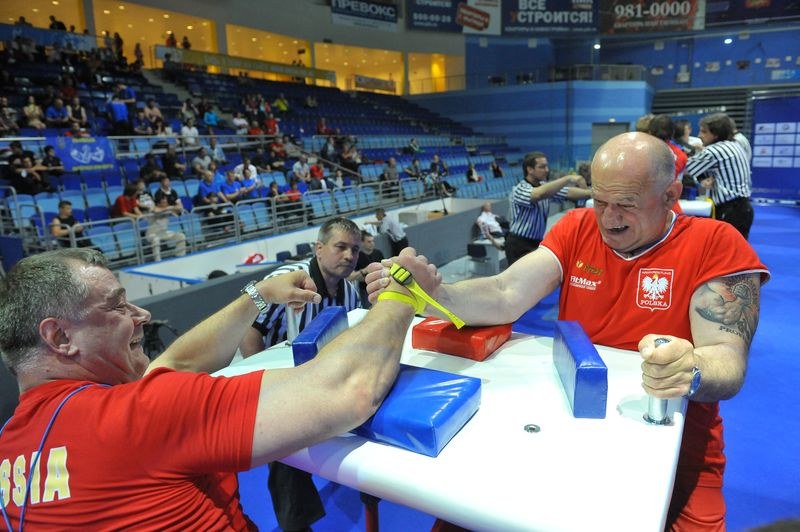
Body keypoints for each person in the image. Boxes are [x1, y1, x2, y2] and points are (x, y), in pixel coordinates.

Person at [365, 132, 770, 531]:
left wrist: (690, 368)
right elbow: (506, 292)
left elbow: (727, 358)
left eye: (626, 204)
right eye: (600, 201)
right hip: (572, 430)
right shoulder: (577, 227)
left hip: (677, 445)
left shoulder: (716, 242)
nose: (609, 218)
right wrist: (433, 294)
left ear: (670, 195)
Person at [0, 244, 417, 529]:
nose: (141, 314)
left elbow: (178, 362)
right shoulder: (137, 416)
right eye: (117, 305)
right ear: (59, 338)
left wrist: (258, 295)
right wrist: (399, 295)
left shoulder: (14, 444)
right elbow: (348, 388)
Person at [239, 218, 363, 532]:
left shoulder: (349, 293)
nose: (349, 256)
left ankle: (368, 485)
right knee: (284, 446)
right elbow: (249, 331)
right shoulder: (287, 278)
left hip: (318, 375)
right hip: (274, 379)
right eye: (340, 247)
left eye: (355, 250)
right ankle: (296, 524)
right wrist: (264, 388)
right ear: (319, 249)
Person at [505, 151, 591, 266]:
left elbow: (568, 192)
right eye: (542, 167)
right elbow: (538, 194)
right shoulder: (519, 189)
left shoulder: (544, 187)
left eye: (546, 166)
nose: (546, 170)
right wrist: (568, 178)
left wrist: (592, 193)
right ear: (529, 169)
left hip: (536, 243)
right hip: (519, 243)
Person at [685, 112, 754, 239]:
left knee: (727, 252)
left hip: (731, 210)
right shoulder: (733, 145)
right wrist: (702, 178)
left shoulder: (714, 150)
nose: (699, 136)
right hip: (742, 207)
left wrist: (689, 149)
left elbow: (684, 167)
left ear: (716, 134)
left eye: (704, 132)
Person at [348, 230, 385, 307]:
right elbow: (350, 277)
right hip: (366, 290)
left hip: (380, 286)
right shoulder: (357, 257)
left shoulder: (378, 253)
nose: (372, 243)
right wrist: (365, 271)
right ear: (362, 243)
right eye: (369, 242)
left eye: (372, 241)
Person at [146, 195, 187, 261]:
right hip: (152, 234)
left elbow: (179, 209)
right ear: (158, 203)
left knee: (181, 236)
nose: (166, 204)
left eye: (166, 202)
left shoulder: (168, 209)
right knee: (155, 240)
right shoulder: (153, 209)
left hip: (164, 233)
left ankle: (180, 256)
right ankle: (157, 260)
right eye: (164, 202)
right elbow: (156, 211)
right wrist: (168, 208)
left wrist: (177, 204)